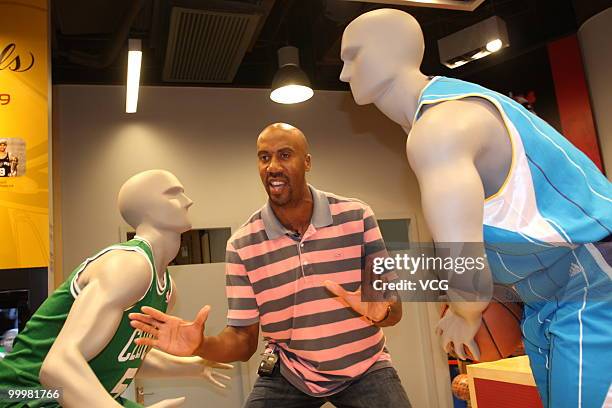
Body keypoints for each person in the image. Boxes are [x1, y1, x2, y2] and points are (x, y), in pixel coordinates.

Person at [339, 8, 612, 408]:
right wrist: (387, 285)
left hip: (593, 280)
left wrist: (466, 312)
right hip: (549, 293)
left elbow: (463, 261)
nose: (344, 73)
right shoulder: (444, 112)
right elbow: (481, 250)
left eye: (353, 56)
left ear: (386, 54)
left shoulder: (439, 128)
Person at [130, 124, 411, 408]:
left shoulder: (357, 217)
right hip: (291, 371)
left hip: (364, 365)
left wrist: (382, 310)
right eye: (264, 158)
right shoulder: (242, 245)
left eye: (285, 155)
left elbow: (393, 309)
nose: (273, 166)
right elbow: (243, 341)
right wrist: (200, 346)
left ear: (307, 162)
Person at [0, 170, 232, 408]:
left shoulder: (166, 288)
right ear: (147, 208)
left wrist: (194, 366)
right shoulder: (129, 267)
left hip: (62, 396)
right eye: (174, 194)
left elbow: (127, 356)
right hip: (21, 395)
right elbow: (57, 366)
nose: (188, 200)